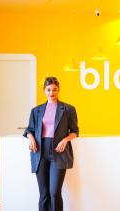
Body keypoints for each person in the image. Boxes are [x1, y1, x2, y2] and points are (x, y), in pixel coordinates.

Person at [23, 76, 79, 211]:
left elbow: (75, 131)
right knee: (44, 194)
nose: (51, 93)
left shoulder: (68, 109)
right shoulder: (36, 110)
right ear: (44, 91)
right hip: (39, 152)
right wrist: (31, 139)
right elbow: (29, 130)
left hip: (58, 153)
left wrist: (65, 140)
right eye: (48, 90)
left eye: (54, 90)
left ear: (58, 90)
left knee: (54, 193)